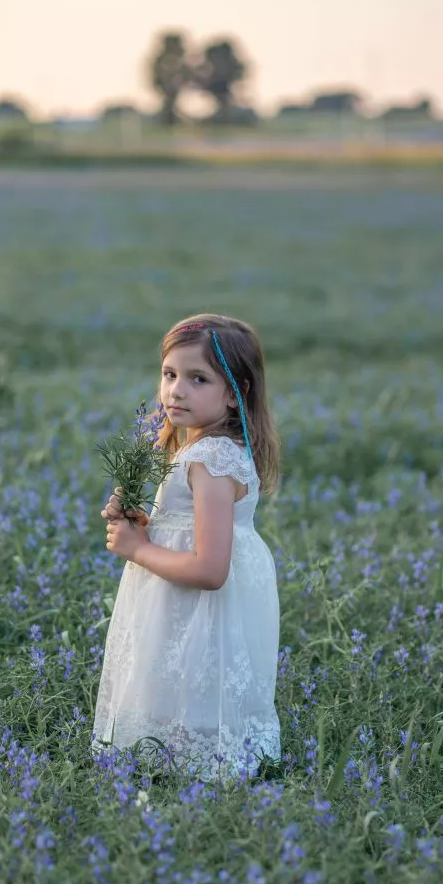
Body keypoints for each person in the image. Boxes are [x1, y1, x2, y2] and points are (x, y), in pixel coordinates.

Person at [91, 313, 282, 782]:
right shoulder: (204, 448)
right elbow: (189, 527)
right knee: (187, 673)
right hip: (193, 594)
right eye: (170, 374)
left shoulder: (210, 459)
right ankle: (184, 759)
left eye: (198, 379)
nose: (176, 390)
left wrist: (138, 549)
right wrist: (148, 525)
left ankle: (191, 766)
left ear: (236, 393)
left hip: (201, 596)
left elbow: (210, 569)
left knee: (192, 669)